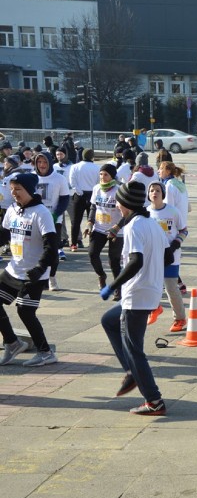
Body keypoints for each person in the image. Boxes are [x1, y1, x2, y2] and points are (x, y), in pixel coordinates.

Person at [100, 181, 170, 415]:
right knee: (109, 320)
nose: (117, 206)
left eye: (118, 202)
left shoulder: (133, 228)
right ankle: (131, 373)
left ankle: (154, 400)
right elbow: (168, 256)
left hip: (136, 294)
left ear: (125, 205)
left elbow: (135, 260)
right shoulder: (152, 224)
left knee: (134, 350)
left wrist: (113, 285)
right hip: (147, 291)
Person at [0, 173, 59, 367]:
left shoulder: (41, 213)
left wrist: (41, 267)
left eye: (18, 189)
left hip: (34, 272)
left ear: (29, 190)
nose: (14, 193)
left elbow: (51, 246)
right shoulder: (12, 209)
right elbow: (4, 235)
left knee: (25, 311)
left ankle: (46, 352)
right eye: (12, 189)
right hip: (14, 269)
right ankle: (13, 343)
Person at [146, 181, 188, 332]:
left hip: (171, 256)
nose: (154, 193)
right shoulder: (146, 213)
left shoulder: (172, 211)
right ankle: (155, 308)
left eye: (158, 190)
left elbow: (184, 231)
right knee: (149, 285)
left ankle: (180, 319)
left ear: (163, 194)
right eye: (152, 190)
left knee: (171, 288)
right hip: (153, 257)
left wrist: (175, 244)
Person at [33, 152, 70, 290]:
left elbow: (65, 199)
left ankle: (51, 277)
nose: (42, 165)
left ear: (49, 163)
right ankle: (40, 277)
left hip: (54, 219)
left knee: (53, 250)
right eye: (39, 162)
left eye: (44, 162)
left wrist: (56, 214)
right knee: (37, 249)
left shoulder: (59, 178)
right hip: (35, 219)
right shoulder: (32, 177)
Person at [85, 164, 124, 295]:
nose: (102, 177)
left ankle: (118, 288)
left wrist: (117, 226)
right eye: (101, 174)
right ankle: (101, 275)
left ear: (112, 176)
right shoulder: (97, 188)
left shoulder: (118, 191)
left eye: (106, 174)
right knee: (92, 253)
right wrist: (90, 221)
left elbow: (126, 214)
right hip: (99, 228)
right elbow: (93, 207)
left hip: (116, 231)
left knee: (114, 261)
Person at [66, 148, 99, 252]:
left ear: (82, 156)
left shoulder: (75, 167)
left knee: (76, 221)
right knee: (92, 221)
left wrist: (78, 191)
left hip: (79, 195)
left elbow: (72, 181)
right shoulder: (97, 167)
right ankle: (92, 243)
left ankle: (74, 244)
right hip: (92, 195)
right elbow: (98, 182)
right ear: (92, 156)